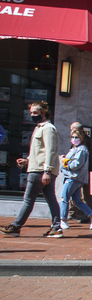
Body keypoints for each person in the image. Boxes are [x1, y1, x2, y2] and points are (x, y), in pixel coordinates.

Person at [0, 101, 63, 238]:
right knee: (51, 199)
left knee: (28, 199)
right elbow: (39, 151)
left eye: (35, 112)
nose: (33, 115)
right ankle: (57, 227)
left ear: (44, 112)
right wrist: (27, 160)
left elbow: (50, 150)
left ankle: (16, 226)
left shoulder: (48, 128)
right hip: (39, 168)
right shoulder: (39, 128)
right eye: (31, 113)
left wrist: (47, 171)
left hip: (40, 170)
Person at [59, 127, 92, 231]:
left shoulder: (81, 149)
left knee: (64, 198)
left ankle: (63, 220)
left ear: (81, 138)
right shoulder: (75, 149)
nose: (74, 139)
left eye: (76, 137)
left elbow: (76, 164)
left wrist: (65, 162)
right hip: (74, 177)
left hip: (73, 178)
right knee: (77, 201)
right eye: (72, 137)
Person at [68, 122, 92, 223]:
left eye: (73, 130)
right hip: (86, 171)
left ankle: (88, 215)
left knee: (85, 194)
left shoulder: (82, 141)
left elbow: (80, 159)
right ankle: (83, 214)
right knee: (79, 194)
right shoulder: (82, 140)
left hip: (83, 172)